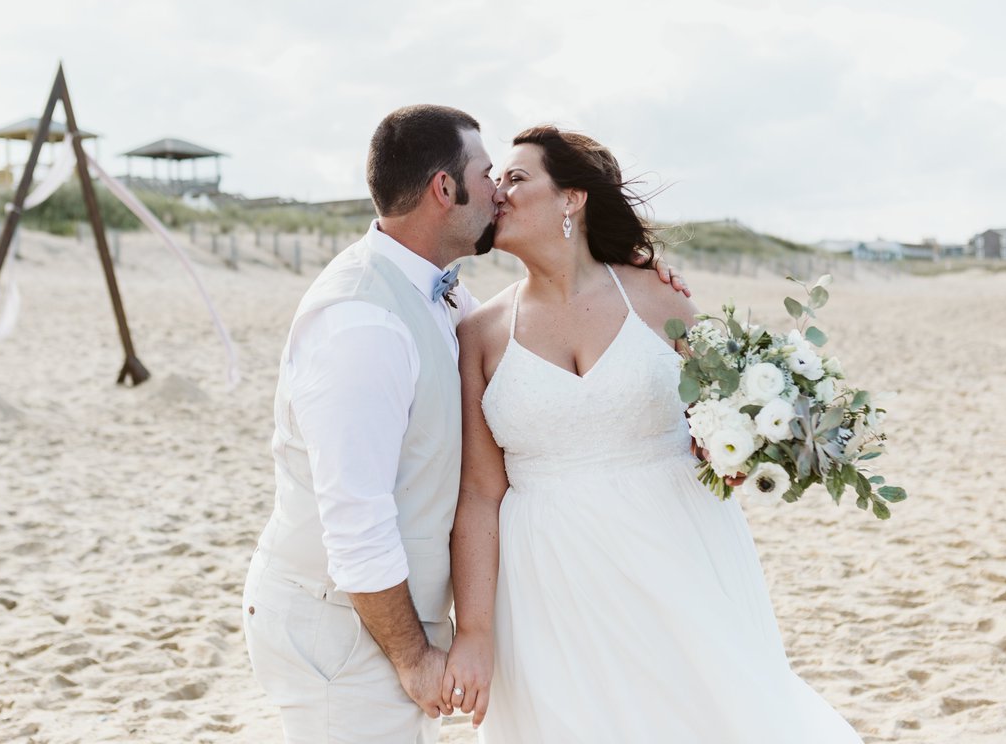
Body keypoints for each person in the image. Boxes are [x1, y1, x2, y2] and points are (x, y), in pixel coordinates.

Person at [242, 106, 688, 743]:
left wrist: (642, 275)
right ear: (443, 190)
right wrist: (413, 657)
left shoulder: (441, 294)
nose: (497, 191)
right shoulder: (361, 324)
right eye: (487, 175)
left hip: (377, 618)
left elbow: (532, 346)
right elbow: (354, 521)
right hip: (339, 625)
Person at [444, 126, 864, 742]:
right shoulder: (479, 335)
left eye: (517, 177)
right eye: (496, 179)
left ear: (572, 198)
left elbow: (733, 410)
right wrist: (474, 631)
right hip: (546, 579)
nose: (499, 192)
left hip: (675, 550)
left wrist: (738, 450)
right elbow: (480, 494)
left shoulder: (657, 296)